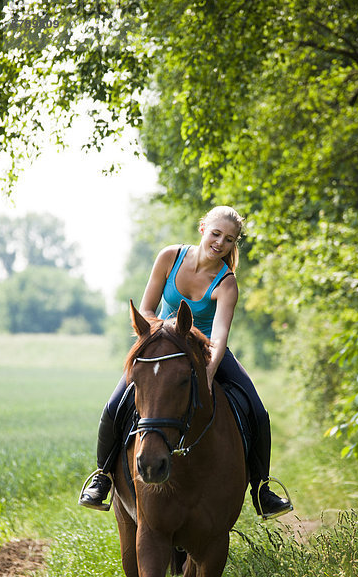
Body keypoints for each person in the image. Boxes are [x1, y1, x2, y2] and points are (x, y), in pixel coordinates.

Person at [79, 205, 292, 519]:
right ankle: (103, 477)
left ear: (234, 244)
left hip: (205, 352)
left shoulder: (227, 283)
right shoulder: (169, 257)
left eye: (230, 240)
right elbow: (148, 309)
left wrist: (207, 373)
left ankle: (261, 489)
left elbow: (218, 338)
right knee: (113, 406)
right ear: (203, 227)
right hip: (163, 346)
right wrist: (165, 334)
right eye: (216, 233)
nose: (220, 243)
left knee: (258, 412)